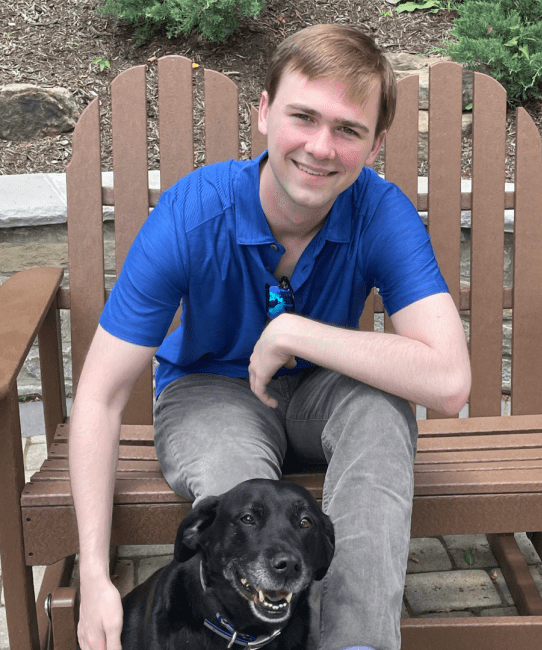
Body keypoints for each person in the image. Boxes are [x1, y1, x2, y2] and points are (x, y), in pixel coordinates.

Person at [69, 23, 471, 650]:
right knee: (239, 491)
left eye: (348, 129)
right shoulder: (191, 216)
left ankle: (354, 642)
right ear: (262, 112)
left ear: (376, 142)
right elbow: (97, 396)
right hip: (211, 391)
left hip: (321, 394)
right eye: (302, 117)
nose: (320, 146)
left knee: (379, 410)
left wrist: (294, 334)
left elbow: (448, 382)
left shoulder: (380, 211)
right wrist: (94, 575)